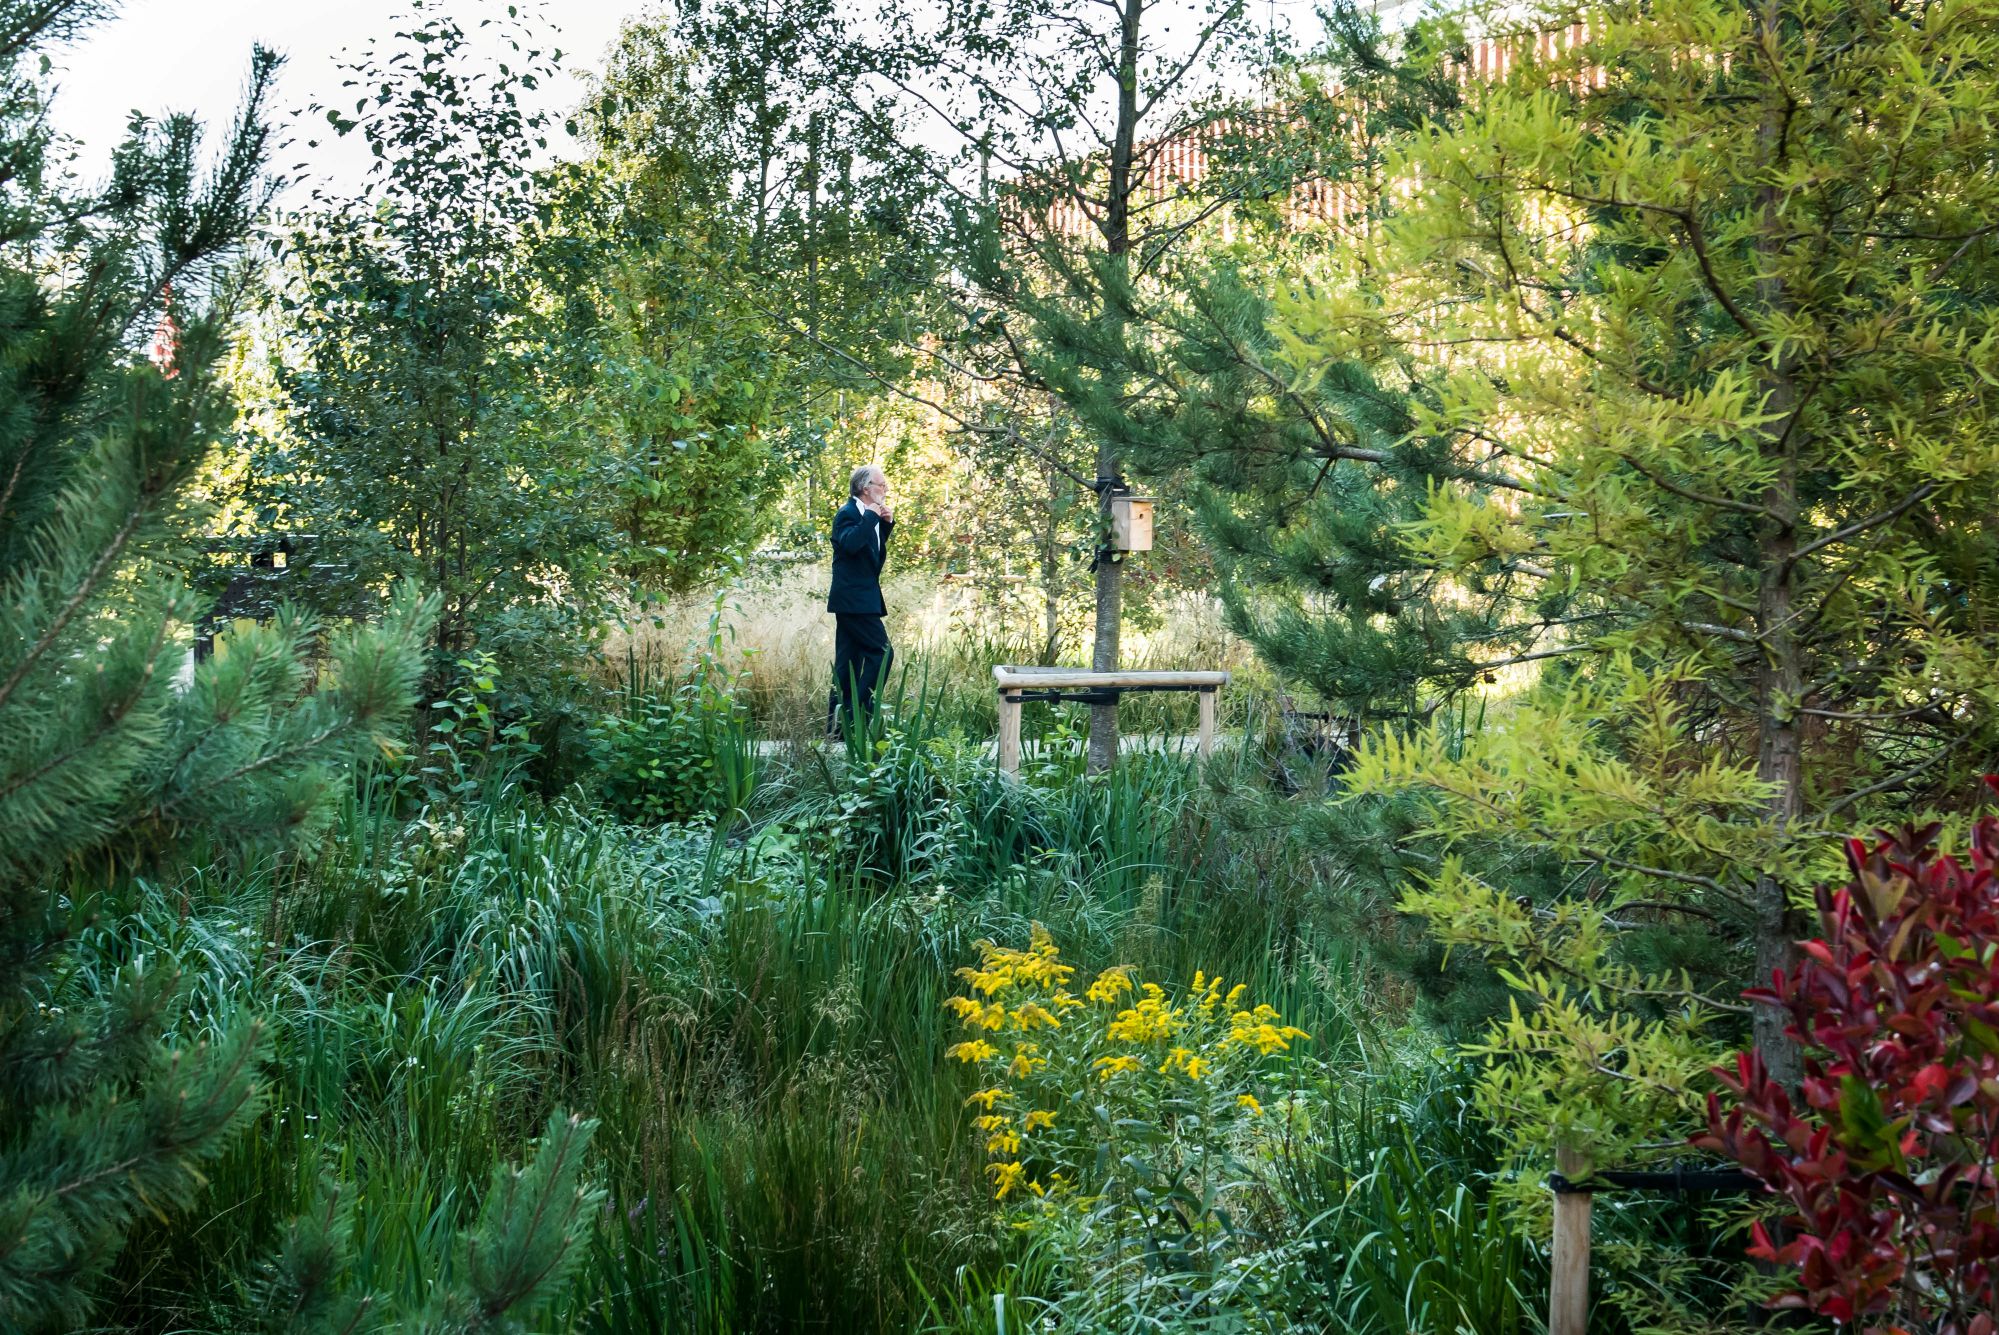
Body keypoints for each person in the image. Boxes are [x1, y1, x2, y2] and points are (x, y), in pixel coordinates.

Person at [826, 463, 895, 739]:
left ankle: (837, 731)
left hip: (861, 599)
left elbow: (869, 555)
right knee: (882, 653)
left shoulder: (868, 515)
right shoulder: (848, 513)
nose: (885, 489)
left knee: (847, 666)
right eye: (881, 485)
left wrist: (885, 525)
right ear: (865, 488)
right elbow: (851, 544)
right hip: (853, 601)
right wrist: (871, 518)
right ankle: (858, 711)